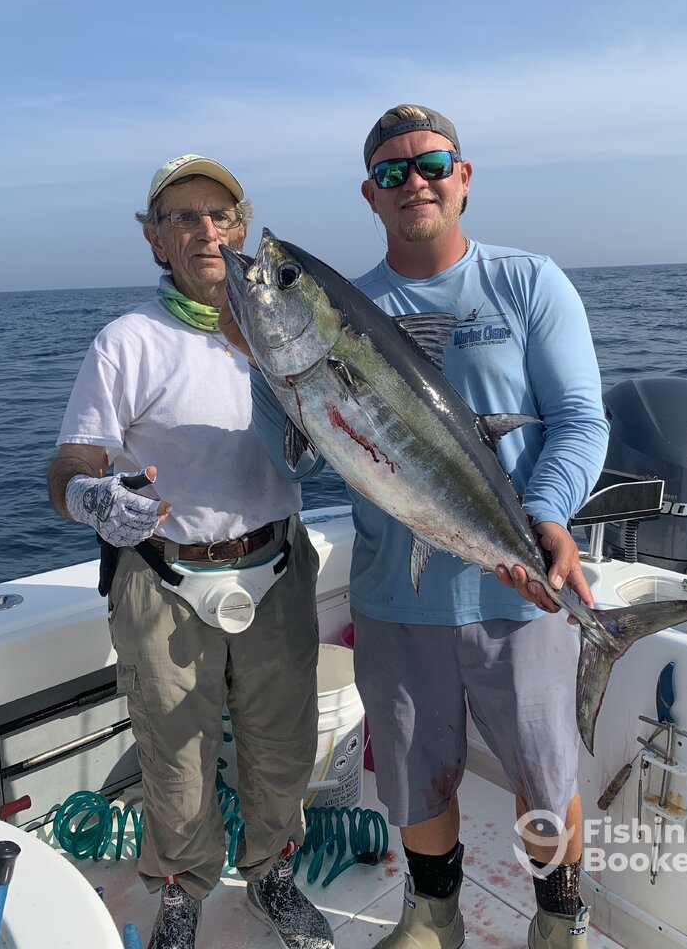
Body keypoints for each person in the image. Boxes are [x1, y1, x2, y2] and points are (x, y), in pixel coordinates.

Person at [234, 106, 610, 949]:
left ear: (463, 178)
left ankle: (560, 919)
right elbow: (296, 459)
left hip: (522, 595)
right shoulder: (349, 305)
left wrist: (547, 513)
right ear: (371, 195)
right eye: (392, 172)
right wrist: (260, 355)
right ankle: (433, 917)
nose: (416, 182)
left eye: (432, 164)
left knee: (545, 780)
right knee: (413, 780)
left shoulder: (527, 282)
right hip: (395, 599)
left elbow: (581, 421)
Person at [47, 154, 334, 949]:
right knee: (175, 762)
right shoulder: (128, 341)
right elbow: (70, 464)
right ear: (155, 239)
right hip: (164, 578)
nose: (207, 230)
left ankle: (271, 874)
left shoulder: (291, 332)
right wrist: (94, 498)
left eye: (222, 215)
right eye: (183, 217)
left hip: (278, 567)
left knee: (284, 748)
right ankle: (181, 891)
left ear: (242, 228)